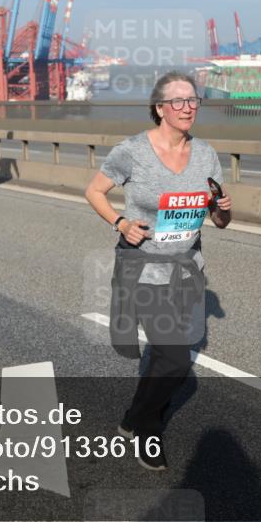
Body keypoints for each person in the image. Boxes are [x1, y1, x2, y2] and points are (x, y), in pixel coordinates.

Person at [84, 72, 232, 471]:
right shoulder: (132, 151)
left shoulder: (206, 155)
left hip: (187, 269)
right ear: (159, 108)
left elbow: (219, 221)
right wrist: (120, 223)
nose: (187, 108)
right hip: (143, 268)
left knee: (165, 358)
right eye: (178, 101)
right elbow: (94, 191)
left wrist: (222, 208)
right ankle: (149, 431)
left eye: (193, 101)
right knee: (176, 360)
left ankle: (133, 417)